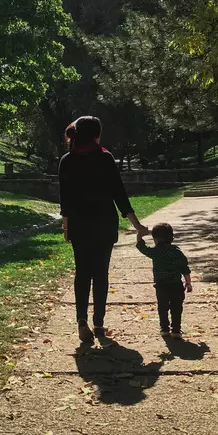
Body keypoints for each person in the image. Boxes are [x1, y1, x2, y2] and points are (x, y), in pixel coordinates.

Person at [59, 116, 148, 345]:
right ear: (96, 134)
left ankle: (81, 319)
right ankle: (98, 323)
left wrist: (66, 225)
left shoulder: (66, 160)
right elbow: (118, 193)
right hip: (103, 223)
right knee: (100, 273)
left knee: (82, 271)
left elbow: (65, 198)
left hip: (79, 224)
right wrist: (136, 224)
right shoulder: (105, 157)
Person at [136, 222, 192, 339]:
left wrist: (139, 235)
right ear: (172, 238)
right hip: (176, 285)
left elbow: (142, 248)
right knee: (176, 308)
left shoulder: (155, 252)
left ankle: (164, 329)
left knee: (162, 308)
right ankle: (176, 330)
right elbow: (185, 269)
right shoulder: (177, 252)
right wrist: (188, 283)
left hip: (161, 286)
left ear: (155, 239)